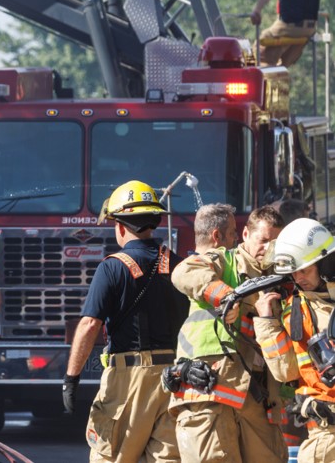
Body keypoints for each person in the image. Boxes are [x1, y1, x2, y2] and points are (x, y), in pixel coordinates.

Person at [64, 179, 188, 463]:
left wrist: (71, 378)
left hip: (127, 381)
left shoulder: (111, 268)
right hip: (174, 378)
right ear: (154, 222)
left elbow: (89, 325)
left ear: (120, 226)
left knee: (112, 456)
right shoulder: (179, 264)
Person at [168, 205, 287, 463]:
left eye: (275, 242)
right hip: (213, 388)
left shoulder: (282, 279)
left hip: (259, 399)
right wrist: (226, 297)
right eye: (263, 240)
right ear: (245, 234)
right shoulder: (224, 261)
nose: (269, 248)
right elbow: (184, 272)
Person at [254, 218, 335, 462]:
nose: (298, 278)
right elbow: (285, 371)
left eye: (305, 270)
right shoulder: (296, 312)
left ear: (325, 263)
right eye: (293, 271)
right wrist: (267, 322)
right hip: (326, 430)